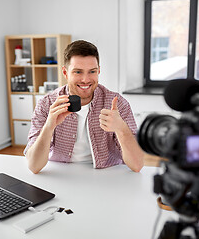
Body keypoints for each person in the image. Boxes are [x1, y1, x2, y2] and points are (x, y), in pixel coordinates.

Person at [24, 40, 144, 174]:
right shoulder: (47, 104)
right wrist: (49, 127)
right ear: (65, 72)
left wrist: (121, 128)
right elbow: (34, 166)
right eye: (78, 72)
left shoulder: (117, 103)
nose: (85, 79)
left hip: (107, 175)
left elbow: (137, 165)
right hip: (61, 175)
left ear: (99, 71)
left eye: (92, 71)